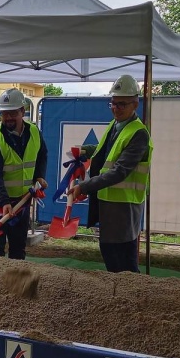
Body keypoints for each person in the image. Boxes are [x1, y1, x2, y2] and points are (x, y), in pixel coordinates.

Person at [69, 74, 152, 273]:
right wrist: (85, 150)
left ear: (135, 104)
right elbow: (105, 150)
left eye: (121, 104)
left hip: (124, 208)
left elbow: (119, 171)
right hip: (109, 205)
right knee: (111, 256)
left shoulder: (138, 133)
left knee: (124, 264)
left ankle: (133, 300)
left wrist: (84, 187)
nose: (116, 108)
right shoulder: (116, 125)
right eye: (113, 103)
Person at [0, 88, 48, 259]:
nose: (8, 118)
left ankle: (15, 283)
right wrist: (3, 201)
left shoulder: (34, 132)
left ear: (22, 111)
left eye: (12, 113)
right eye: (4, 114)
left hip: (22, 199)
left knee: (18, 246)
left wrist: (39, 175)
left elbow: (42, 155)